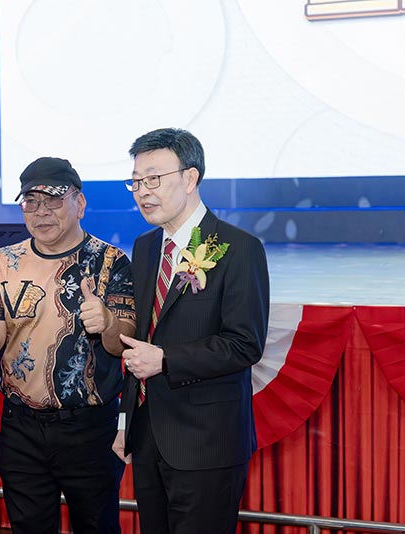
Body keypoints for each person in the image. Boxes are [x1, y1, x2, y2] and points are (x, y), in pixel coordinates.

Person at [0, 157, 136, 534]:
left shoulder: (111, 262)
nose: (41, 211)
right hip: (21, 427)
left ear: (79, 203)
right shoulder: (3, 262)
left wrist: (108, 323)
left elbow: (122, 342)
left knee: (97, 526)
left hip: (89, 428)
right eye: (31, 202)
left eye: (53, 200)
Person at [112, 128, 270, 533]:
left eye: (153, 179)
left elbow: (244, 343)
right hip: (148, 437)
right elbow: (142, 338)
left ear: (189, 178)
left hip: (207, 442)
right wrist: (126, 423)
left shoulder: (239, 248)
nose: (142, 192)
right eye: (136, 181)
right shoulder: (146, 247)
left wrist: (166, 360)